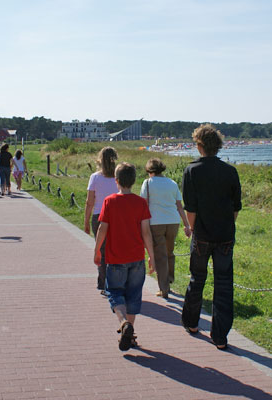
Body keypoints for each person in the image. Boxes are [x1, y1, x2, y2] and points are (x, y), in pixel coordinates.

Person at [181, 124, 242, 350]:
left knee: (197, 279)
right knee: (224, 284)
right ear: (218, 146)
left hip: (202, 234)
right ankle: (220, 336)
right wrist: (226, 224)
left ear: (200, 146)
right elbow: (235, 208)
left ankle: (191, 322)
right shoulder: (230, 172)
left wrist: (193, 229)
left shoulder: (191, 171)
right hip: (225, 234)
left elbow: (191, 208)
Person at [93, 162, 155, 351]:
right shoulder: (141, 203)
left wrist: (97, 249)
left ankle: (123, 323)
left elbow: (103, 228)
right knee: (133, 295)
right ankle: (130, 333)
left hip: (115, 258)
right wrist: (152, 256)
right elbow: (146, 232)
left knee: (114, 292)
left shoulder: (109, 201)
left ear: (116, 180)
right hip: (136, 258)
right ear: (134, 181)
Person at [139, 158, 191, 299]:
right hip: (173, 221)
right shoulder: (172, 183)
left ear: (150, 170)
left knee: (160, 256)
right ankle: (169, 279)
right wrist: (187, 225)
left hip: (156, 222)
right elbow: (179, 206)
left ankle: (164, 289)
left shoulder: (147, 183)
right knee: (169, 252)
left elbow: (144, 204)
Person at [84, 147, 119, 293]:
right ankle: (116, 281)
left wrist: (86, 221)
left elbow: (89, 202)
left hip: (99, 216)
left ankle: (103, 282)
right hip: (116, 217)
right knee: (115, 250)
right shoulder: (119, 177)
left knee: (101, 251)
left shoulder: (95, 177)